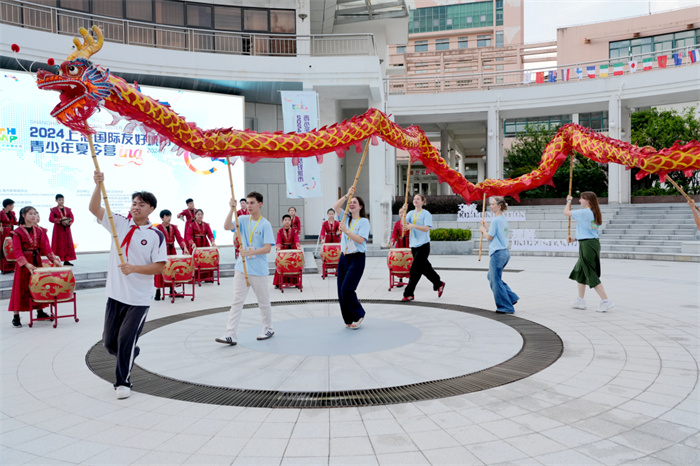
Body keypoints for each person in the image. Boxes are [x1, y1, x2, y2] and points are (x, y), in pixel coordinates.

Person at [89, 171, 167, 399]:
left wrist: (134, 268)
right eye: (134, 203)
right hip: (115, 295)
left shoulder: (155, 235)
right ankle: (132, 352)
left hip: (138, 299)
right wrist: (97, 185)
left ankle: (123, 382)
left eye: (141, 204)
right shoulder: (118, 223)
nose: (136, 207)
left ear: (151, 209)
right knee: (109, 343)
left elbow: (160, 266)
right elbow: (94, 209)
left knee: (125, 341)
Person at [216, 193, 275, 345]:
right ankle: (230, 333)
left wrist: (250, 252)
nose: (248, 206)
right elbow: (227, 226)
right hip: (241, 268)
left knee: (263, 302)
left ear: (260, 204)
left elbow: (268, 248)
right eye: (247, 203)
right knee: (237, 301)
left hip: (259, 270)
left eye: (252, 203)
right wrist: (231, 209)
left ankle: (268, 328)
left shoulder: (265, 224)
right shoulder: (242, 219)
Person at [8, 206, 62, 327]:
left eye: (35, 213)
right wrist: (26, 264)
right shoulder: (17, 232)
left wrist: (54, 260)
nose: (33, 216)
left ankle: (40, 312)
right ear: (23, 216)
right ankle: (16, 317)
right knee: (20, 289)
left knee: (39, 286)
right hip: (24, 264)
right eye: (30, 214)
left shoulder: (39, 231)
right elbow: (17, 251)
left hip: (36, 261)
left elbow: (45, 248)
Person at [564, 191, 614, 313]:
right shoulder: (593, 212)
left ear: (588, 201)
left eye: (581, 199)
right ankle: (580, 300)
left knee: (590, 272)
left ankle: (606, 301)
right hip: (589, 243)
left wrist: (568, 201)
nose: (579, 201)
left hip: (587, 245)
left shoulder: (585, 212)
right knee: (580, 272)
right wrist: (575, 238)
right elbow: (588, 232)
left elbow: (566, 212)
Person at [332, 187, 370, 329]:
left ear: (360, 207)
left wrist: (346, 231)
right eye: (351, 202)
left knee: (347, 289)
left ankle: (359, 314)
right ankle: (348, 319)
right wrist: (347, 195)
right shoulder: (345, 218)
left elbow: (360, 240)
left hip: (357, 258)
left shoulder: (363, 222)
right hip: (344, 257)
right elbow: (335, 206)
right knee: (341, 291)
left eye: (355, 202)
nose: (352, 204)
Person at [399, 194, 445, 302]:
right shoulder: (410, 213)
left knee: (415, 269)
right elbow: (404, 225)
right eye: (414, 199)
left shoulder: (426, 214)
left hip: (424, 245)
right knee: (425, 268)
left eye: (418, 199)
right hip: (414, 245)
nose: (415, 200)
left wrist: (413, 226)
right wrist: (403, 213)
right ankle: (438, 283)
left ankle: (408, 293)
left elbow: (426, 229)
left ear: (423, 202)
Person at [479, 197, 519, 314]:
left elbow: (489, 237)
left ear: (499, 206)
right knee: (491, 277)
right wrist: (486, 225)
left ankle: (506, 307)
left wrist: (483, 230)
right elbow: (495, 233)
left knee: (495, 280)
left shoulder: (496, 220)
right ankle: (511, 297)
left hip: (497, 253)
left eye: (492, 204)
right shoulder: (501, 219)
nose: (490, 206)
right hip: (504, 252)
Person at [154, 209, 188, 301]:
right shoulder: (158, 228)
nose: (169, 218)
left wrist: (184, 247)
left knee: (172, 269)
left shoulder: (174, 227)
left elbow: (179, 238)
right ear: (162, 217)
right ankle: (158, 291)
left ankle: (172, 289)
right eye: (167, 216)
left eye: (170, 216)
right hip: (161, 251)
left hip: (172, 250)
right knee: (160, 270)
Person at [273, 214, 301, 289]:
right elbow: (278, 240)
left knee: (293, 264)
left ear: (291, 222)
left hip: (292, 249)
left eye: (289, 220)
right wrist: (278, 247)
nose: (287, 221)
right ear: (282, 221)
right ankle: (278, 283)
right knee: (280, 264)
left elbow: (296, 239)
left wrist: (298, 246)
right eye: (285, 220)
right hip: (283, 249)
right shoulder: (279, 231)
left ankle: (295, 282)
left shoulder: (294, 231)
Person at [49, 194, 76, 266]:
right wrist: (60, 220)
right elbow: (51, 219)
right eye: (60, 200)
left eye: (62, 200)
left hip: (66, 229)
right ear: (56, 200)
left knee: (67, 244)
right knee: (58, 244)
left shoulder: (68, 209)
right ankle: (57, 260)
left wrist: (68, 223)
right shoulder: (53, 210)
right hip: (58, 230)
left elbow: (72, 218)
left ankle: (66, 260)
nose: (61, 201)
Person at [0, 198, 18, 274]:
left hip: (11, 232)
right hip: (3, 233)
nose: (13, 206)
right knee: (4, 249)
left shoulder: (12, 213)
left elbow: (14, 222)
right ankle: (4, 268)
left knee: (11, 249)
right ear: (8, 206)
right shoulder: (1, 213)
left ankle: (12, 267)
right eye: (12, 205)